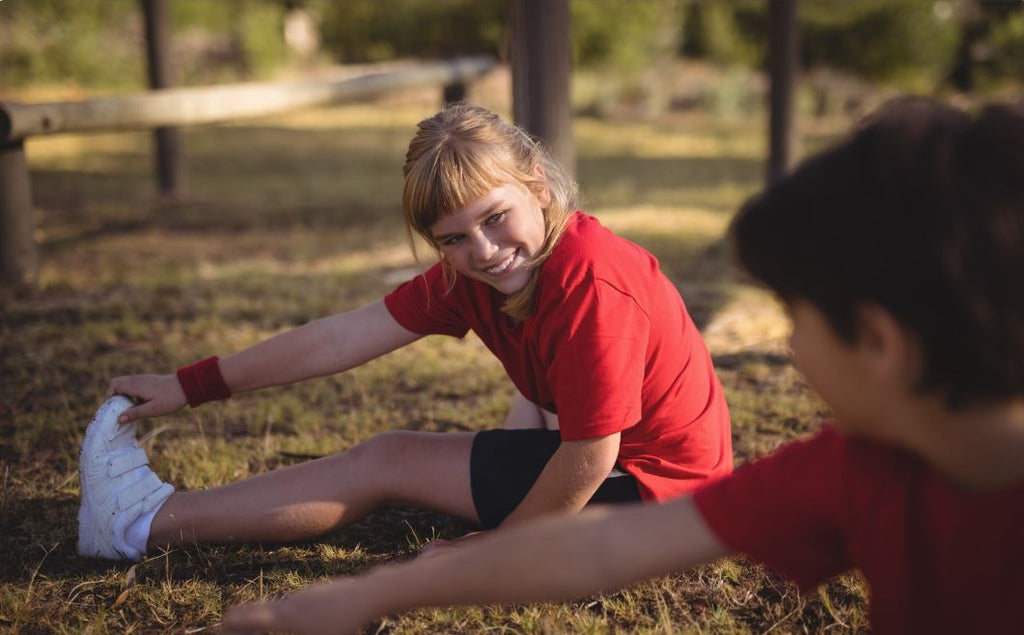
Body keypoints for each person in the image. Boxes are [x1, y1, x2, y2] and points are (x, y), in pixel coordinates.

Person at [220, 97, 1024, 635]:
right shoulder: (853, 468)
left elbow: (596, 472)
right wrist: (368, 594)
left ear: (880, 342)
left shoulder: (596, 280)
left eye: (797, 318)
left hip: (634, 470)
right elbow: (600, 552)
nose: (786, 347)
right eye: (453, 238)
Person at [78, 103, 733, 563]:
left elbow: (590, 455)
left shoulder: (591, 282)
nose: (484, 250)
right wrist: (190, 385)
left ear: (536, 185)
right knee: (520, 410)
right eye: (453, 238)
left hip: (666, 500)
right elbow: (339, 337)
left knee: (387, 459)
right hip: (613, 460)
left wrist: (501, 551)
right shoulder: (467, 276)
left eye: (496, 217)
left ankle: (139, 524)